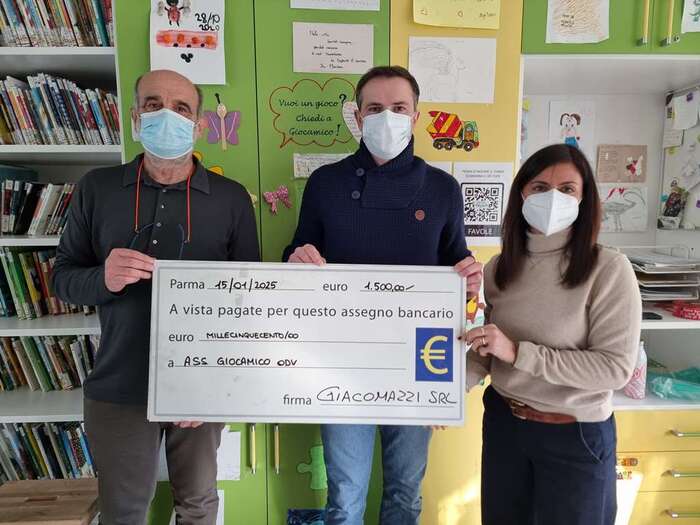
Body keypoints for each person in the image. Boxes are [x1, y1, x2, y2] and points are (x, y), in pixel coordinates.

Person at [52, 70, 259, 525]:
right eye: (153, 104)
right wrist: (104, 278)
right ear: (134, 118)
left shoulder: (231, 199)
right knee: (123, 512)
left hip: (200, 382)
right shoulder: (96, 188)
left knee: (198, 505)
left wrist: (212, 386)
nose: (167, 115)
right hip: (119, 384)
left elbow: (248, 303)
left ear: (199, 125)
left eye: (181, 108)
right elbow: (62, 280)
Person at [283, 65, 483, 525]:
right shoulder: (326, 183)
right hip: (340, 357)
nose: (386, 117)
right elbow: (295, 253)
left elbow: (458, 269)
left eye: (398, 107)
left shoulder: (443, 189)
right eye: (374, 108)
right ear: (357, 116)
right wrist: (296, 258)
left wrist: (470, 281)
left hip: (419, 360)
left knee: (405, 492)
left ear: (416, 116)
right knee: (345, 496)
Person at [466, 144, 641, 525]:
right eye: (540, 187)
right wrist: (440, 392)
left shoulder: (609, 269)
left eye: (567, 189)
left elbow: (614, 369)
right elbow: (488, 349)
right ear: (522, 194)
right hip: (504, 425)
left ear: (584, 198)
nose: (552, 198)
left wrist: (519, 353)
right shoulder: (498, 268)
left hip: (574, 434)